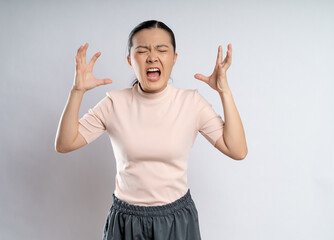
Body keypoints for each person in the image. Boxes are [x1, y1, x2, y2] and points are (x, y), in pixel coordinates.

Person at [55, 20, 247, 240]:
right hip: (126, 220)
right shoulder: (114, 103)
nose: (152, 57)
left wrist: (224, 91)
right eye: (142, 50)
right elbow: (65, 143)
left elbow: (237, 150)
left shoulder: (191, 102)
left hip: (176, 219)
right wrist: (77, 91)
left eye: (162, 50)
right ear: (130, 60)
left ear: (174, 58)